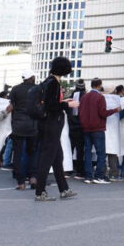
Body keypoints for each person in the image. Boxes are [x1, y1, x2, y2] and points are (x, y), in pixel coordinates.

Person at [32, 57, 78, 201]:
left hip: (48, 124)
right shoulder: (53, 83)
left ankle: (64, 189)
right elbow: (51, 106)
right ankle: (40, 192)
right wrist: (67, 105)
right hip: (52, 124)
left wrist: (63, 101)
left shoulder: (48, 81)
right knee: (47, 159)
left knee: (57, 158)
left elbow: (50, 103)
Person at [79, 78, 119, 184]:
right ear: (99, 85)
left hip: (86, 128)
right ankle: (99, 176)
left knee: (87, 153)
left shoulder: (84, 97)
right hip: (97, 128)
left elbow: (80, 112)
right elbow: (103, 113)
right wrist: (115, 110)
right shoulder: (100, 97)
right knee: (101, 153)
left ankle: (88, 176)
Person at [8, 70, 38, 190]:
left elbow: (11, 106)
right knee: (33, 152)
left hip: (18, 125)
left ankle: (21, 182)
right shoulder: (37, 89)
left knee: (18, 153)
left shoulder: (15, 89)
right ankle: (33, 177)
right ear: (32, 77)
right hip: (33, 124)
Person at [68, 79, 87, 180]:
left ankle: (68, 169)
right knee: (80, 150)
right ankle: (80, 171)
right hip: (81, 127)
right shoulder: (85, 96)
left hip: (72, 126)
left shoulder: (72, 95)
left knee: (70, 149)